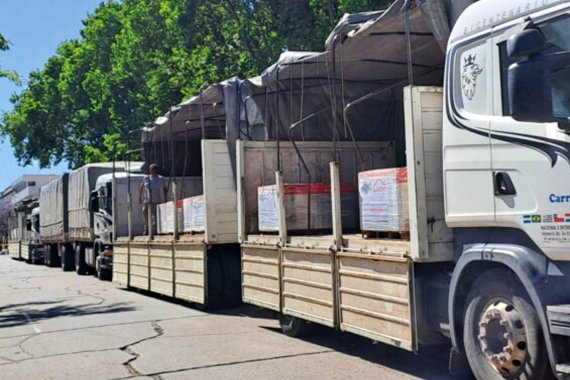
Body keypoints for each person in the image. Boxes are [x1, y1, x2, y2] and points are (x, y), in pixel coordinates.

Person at [139, 163, 168, 235]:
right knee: (145, 214)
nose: (152, 171)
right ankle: (146, 229)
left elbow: (164, 189)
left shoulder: (160, 178)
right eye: (151, 169)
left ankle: (156, 230)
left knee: (156, 216)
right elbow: (141, 187)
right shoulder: (146, 178)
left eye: (153, 170)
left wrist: (165, 198)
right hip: (147, 200)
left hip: (156, 200)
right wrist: (140, 197)